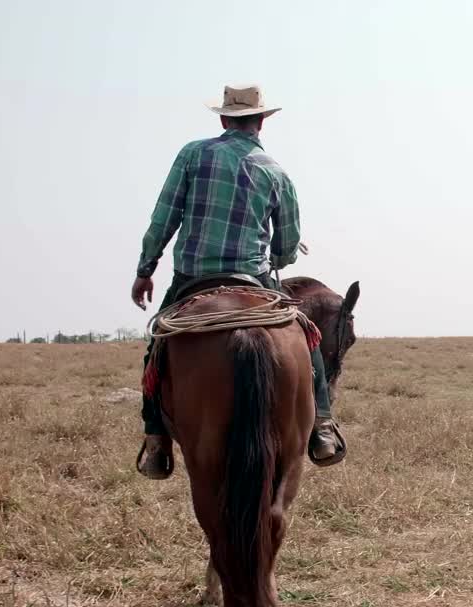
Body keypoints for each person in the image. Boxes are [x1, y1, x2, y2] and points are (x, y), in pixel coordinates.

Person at [131, 84, 342, 478]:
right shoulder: (277, 172)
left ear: (224, 118)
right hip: (254, 277)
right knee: (308, 337)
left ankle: (156, 441)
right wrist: (279, 256)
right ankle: (324, 426)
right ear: (261, 122)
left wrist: (146, 269)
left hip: (192, 276)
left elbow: (163, 220)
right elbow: (287, 246)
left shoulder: (193, 154)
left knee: (158, 343)